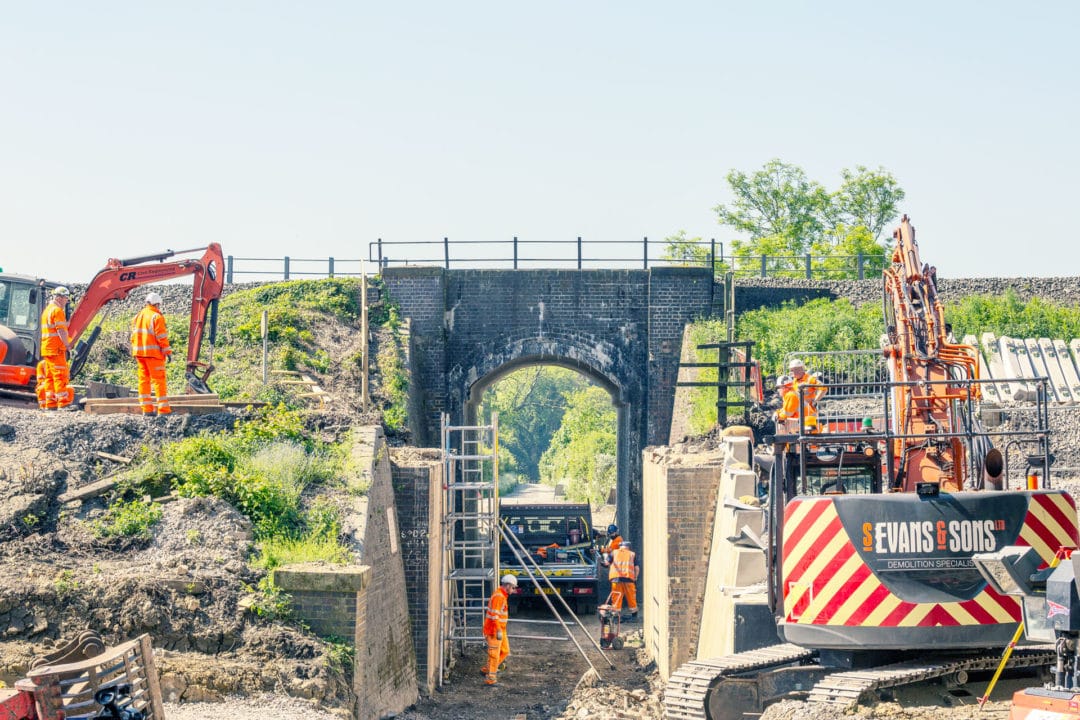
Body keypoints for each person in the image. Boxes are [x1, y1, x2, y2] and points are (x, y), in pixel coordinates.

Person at [130, 291, 173, 416]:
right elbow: (161, 337)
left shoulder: (138, 316)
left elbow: (133, 336)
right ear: (157, 304)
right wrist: (167, 351)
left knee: (144, 381)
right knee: (159, 381)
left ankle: (147, 410)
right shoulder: (156, 317)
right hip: (153, 355)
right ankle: (164, 410)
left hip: (140, 354)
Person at [38, 286, 74, 410]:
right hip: (56, 349)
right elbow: (61, 331)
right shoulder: (57, 311)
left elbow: (54, 328)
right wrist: (68, 345)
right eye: (65, 298)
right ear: (59, 297)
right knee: (60, 375)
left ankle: (51, 404)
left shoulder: (47, 310)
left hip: (47, 348)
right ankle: (63, 403)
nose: (66, 301)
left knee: (50, 377)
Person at [482, 574, 517, 686]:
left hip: (500, 629)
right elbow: (494, 617)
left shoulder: (502, 595)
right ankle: (491, 678)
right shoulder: (499, 597)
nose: (514, 590)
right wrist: (498, 631)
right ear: (507, 585)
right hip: (494, 631)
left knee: (505, 651)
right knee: (494, 654)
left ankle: (487, 669)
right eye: (513, 587)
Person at [609, 540, 640, 622]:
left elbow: (606, 563)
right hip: (629, 579)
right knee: (631, 598)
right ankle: (634, 617)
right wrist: (635, 577)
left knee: (616, 598)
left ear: (620, 546)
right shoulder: (632, 554)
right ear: (628, 547)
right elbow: (637, 568)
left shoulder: (614, 552)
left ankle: (615, 618)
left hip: (616, 579)